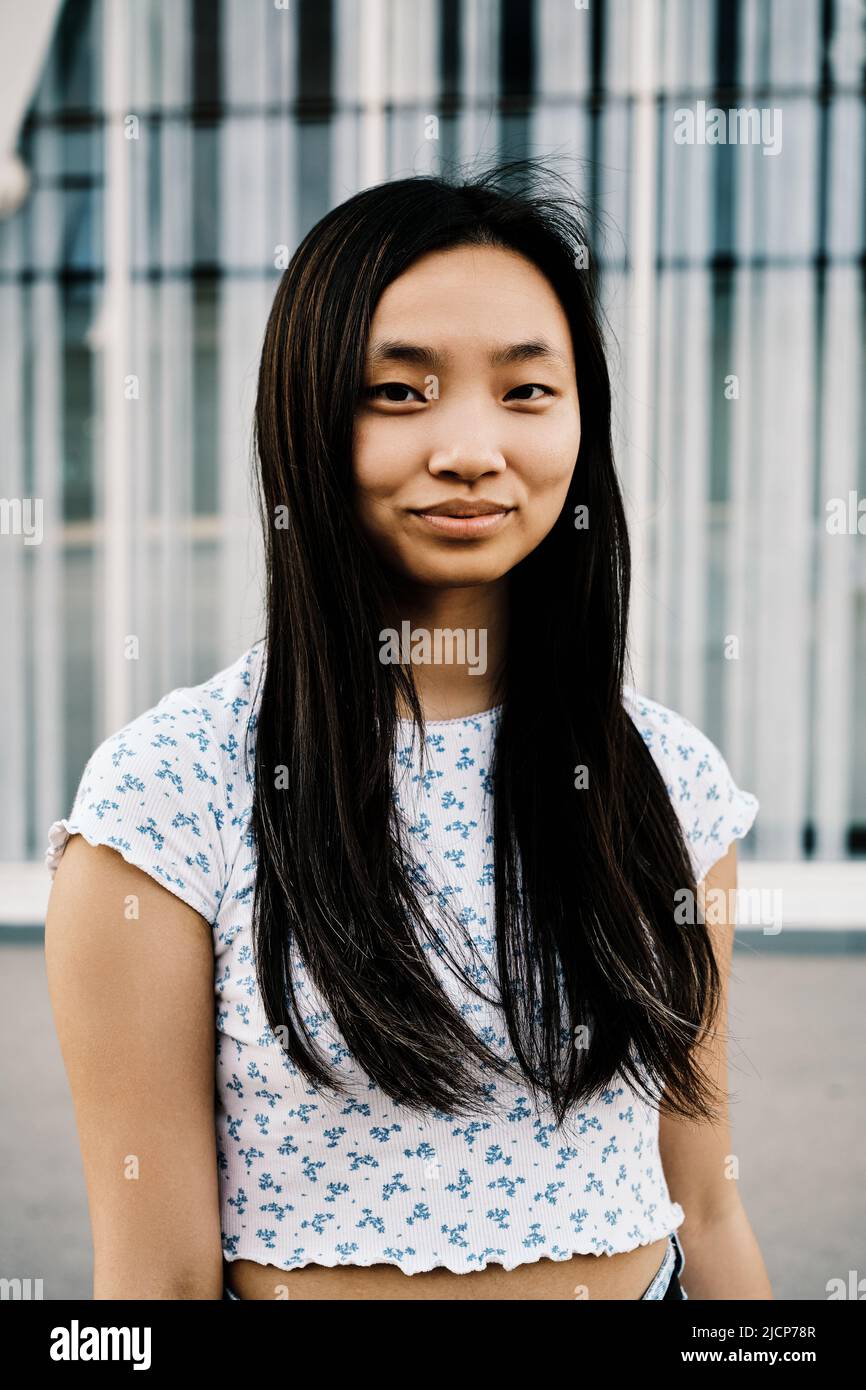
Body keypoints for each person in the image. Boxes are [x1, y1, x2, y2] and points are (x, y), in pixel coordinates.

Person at [44, 160, 772, 1301]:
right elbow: (157, 1282)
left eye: (527, 391)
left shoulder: (667, 779)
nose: (471, 448)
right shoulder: (167, 796)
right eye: (399, 390)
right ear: (306, 414)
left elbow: (709, 1206)